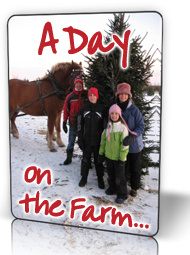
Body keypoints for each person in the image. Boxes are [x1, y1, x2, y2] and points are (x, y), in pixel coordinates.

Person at [116, 83, 145, 197]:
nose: (123, 96)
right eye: (121, 94)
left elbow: (141, 126)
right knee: (123, 168)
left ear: (129, 95)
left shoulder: (134, 110)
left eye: (125, 94)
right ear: (118, 95)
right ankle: (122, 187)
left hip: (134, 145)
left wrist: (133, 136)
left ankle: (134, 188)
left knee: (135, 168)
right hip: (121, 145)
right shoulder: (115, 108)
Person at [99, 104, 130, 204]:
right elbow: (103, 142)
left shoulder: (122, 128)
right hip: (109, 157)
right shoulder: (107, 127)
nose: (114, 116)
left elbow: (124, 146)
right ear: (110, 115)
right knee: (111, 175)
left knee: (120, 177)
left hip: (119, 159)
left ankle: (122, 194)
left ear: (119, 115)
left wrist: (122, 159)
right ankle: (112, 189)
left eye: (116, 114)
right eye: (112, 114)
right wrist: (101, 154)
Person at [77, 87, 106, 189]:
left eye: (94, 95)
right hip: (86, 140)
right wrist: (80, 139)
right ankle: (83, 178)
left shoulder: (101, 109)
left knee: (99, 161)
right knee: (85, 160)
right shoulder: (83, 109)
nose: (92, 97)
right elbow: (79, 125)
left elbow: (105, 127)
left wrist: (104, 141)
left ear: (97, 96)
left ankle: (100, 179)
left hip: (98, 141)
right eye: (90, 95)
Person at [62, 75, 87, 165]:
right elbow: (66, 110)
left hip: (84, 124)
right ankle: (69, 157)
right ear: (74, 84)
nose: (78, 85)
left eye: (80, 83)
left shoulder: (86, 95)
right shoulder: (70, 97)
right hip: (73, 123)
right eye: (77, 83)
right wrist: (64, 122)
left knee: (84, 143)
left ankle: (86, 159)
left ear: (82, 84)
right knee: (71, 142)